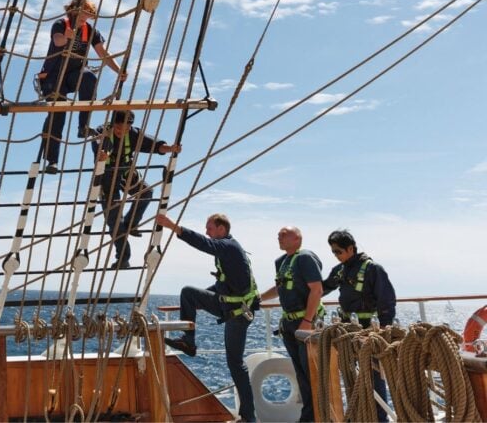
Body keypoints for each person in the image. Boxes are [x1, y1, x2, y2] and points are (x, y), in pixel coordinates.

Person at [155, 213, 257, 422]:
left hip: (237, 312)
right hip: (230, 306)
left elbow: (202, 244)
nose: (207, 232)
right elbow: (222, 286)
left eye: (209, 228)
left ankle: (249, 417)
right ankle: (188, 341)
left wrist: (174, 227)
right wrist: (199, 300)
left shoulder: (228, 247)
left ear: (221, 229)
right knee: (190, 295)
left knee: (236, 364)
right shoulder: (227, 250)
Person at [38, 0, 126, 175]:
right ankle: (52, 160)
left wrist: (119, 70)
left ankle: (83, 126)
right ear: (73, 9)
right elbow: (57, 41)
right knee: (58, 115)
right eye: (83, 11)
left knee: (88, 77)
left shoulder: (90, 31)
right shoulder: (61, 24)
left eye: (89, 13)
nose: (86, 16)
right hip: (53, 77)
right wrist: (66, 37)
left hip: (73, 75)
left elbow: (103, 52)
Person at [90, 110, 180, 269]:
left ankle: (132, 223)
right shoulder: (101, 132)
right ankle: (123, 258)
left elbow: (155, 145)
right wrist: (101, 155)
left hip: (126, 171)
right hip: (106, 176)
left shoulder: (133, 134)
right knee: (114, 220)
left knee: (146, 193)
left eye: (125, 128)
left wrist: (171, 148)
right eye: (118, 128)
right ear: (113, 124)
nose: (121, 131)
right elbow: (97, 148)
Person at [323, 229, 396, 422]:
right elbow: (323, 288)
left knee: (373, 378)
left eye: (339, 251)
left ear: (351, 248)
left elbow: (387, 302)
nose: (336, 256)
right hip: (348, 334)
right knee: (353, 379)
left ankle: (380, 419)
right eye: (333, 252)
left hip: (369, 334)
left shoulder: (373, 269)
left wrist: (382, 334)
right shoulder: (340, 270)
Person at [258, 226, 324, 423]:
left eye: (283, 234)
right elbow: (279, 288)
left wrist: (307, 321)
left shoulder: (305, 258)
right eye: (278, 234)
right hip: (289, 324)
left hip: (305, 323)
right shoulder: (281, 262)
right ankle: (308, 417)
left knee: (312, 373)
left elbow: (317, 290)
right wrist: (259, 298)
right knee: (302, 374)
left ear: (297, 238)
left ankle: (317, 417)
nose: (278, 237)